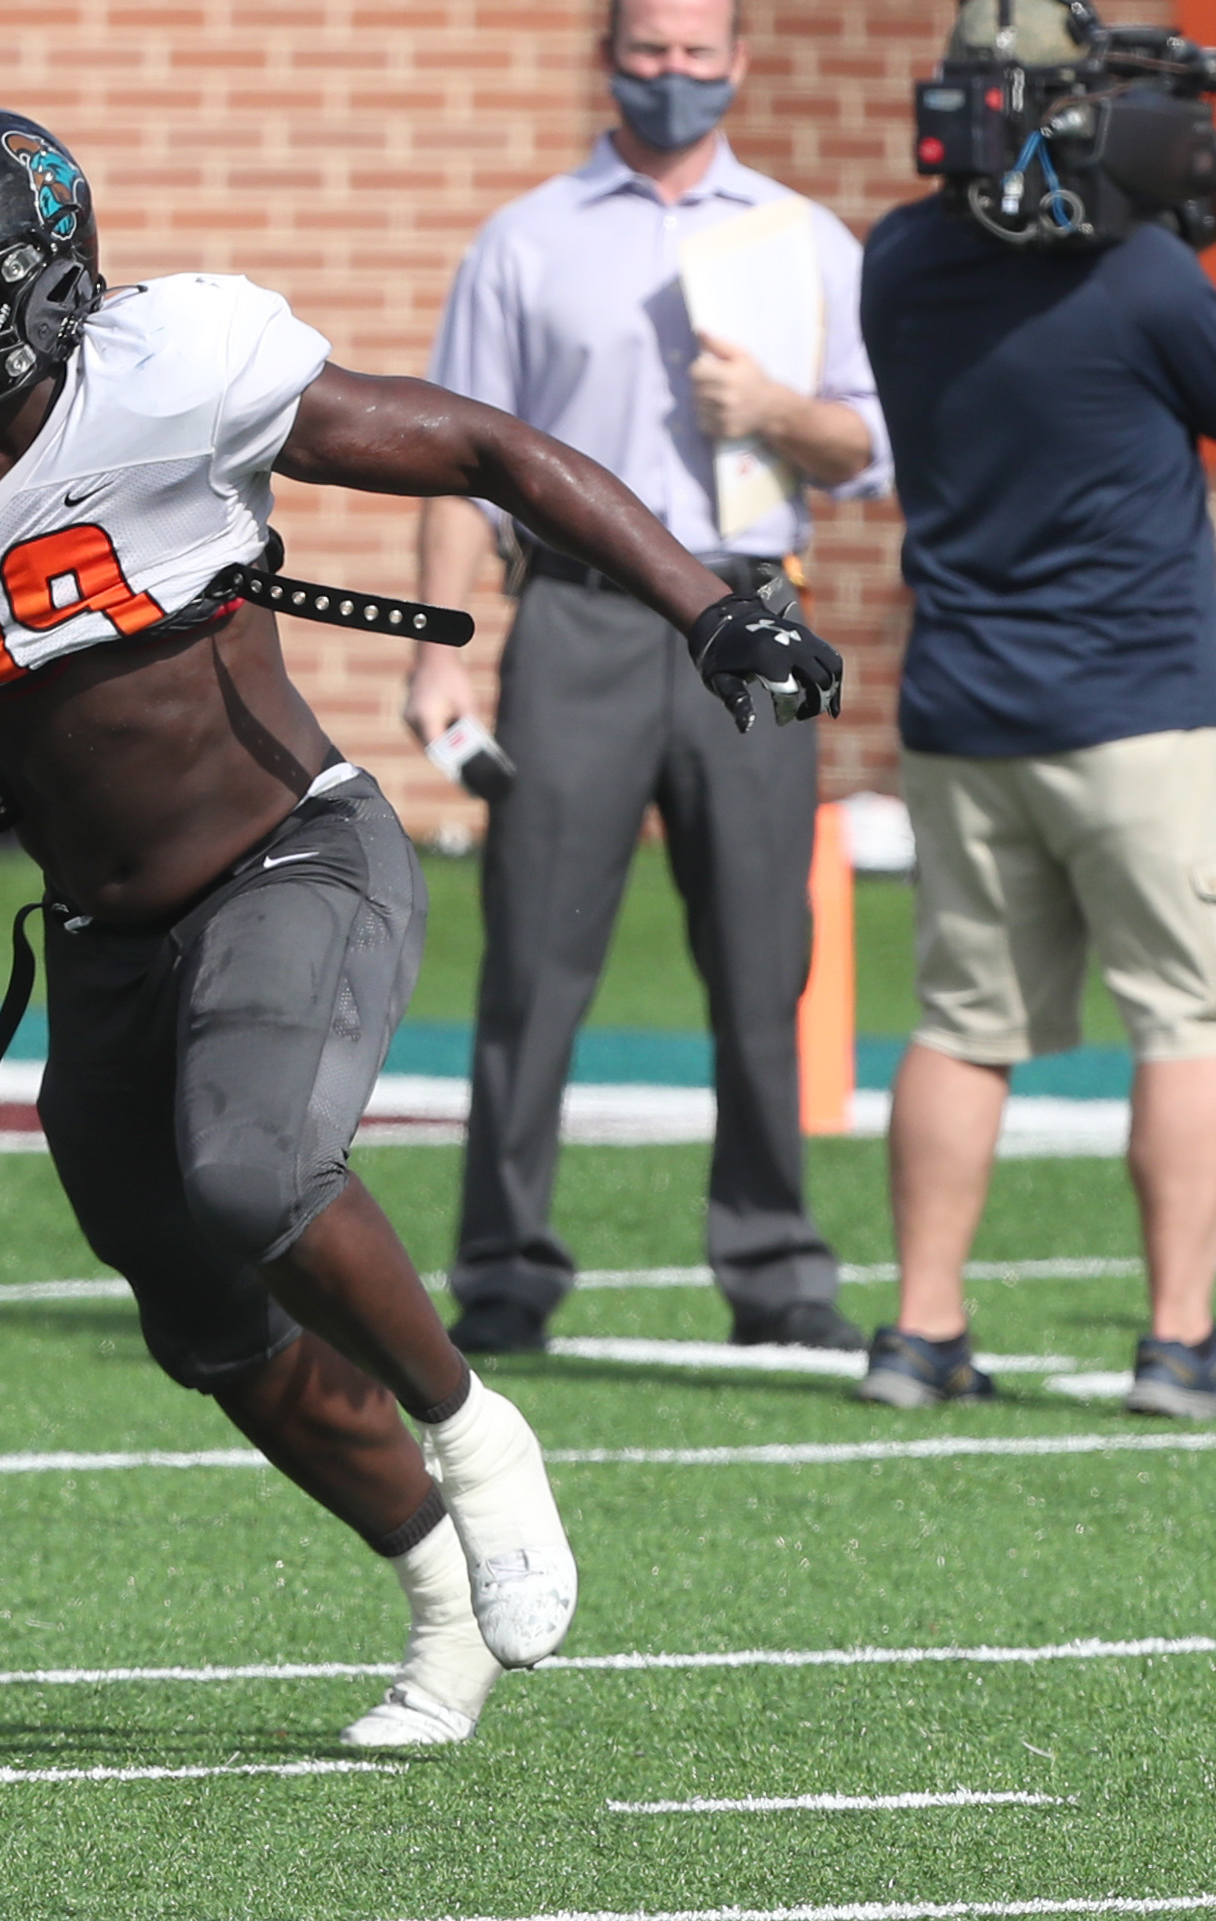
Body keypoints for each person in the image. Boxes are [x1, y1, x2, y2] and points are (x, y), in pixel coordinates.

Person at [0, 109, 841, 1748]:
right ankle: (438, 1600)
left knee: (252, 1172)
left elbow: (487, 449)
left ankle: (483, 1439)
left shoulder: (170, 369)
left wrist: (710, 608)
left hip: (290, 861)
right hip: (104, 936)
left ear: (42, 293)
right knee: (199, 1317)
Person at [854, 0, 1216, 1419]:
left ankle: (920, 1332)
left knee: (962, 1023)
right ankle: (1180, 1342)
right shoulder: (1142, 284)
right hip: (1143, 723)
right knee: (1192, 1020)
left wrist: (1184, 225)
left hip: (961, 714)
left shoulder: (898, 258)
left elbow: (1065, 288)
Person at [405, 0, 889, 1359]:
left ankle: (776, 1265)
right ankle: (501, 1270)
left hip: (754, 608)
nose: (670, 75)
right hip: (580, 619)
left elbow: (868, 446)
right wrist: (438, 653)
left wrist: (777, 415)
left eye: (696, 52)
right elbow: (458, 464)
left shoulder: (806, 243)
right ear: (609, 57)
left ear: (739, 61)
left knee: (763, 958)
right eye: (647, 50)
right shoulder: (525, 241)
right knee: (534, 953)